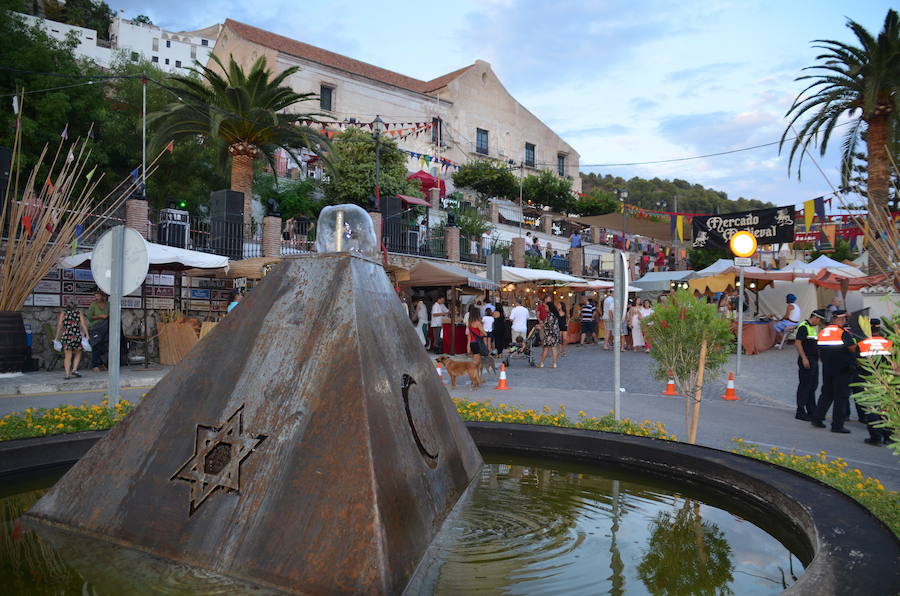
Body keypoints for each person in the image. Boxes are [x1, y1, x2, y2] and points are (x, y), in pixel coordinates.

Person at [810, 309, 857, 433]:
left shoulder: (823, 332)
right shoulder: (843, 333)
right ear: (841, 319)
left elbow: (819, 350)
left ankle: (817, 418)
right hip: (843, 369)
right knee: (841, 397)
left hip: (828, 367)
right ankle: (837, 425)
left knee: (826, 394)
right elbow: (853, 349)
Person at [794, 309, 826, 421]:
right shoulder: (804, 326)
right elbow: (797, 343)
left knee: (813, 385)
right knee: (805, 385)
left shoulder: (812, 328)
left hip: (814, 360)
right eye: (820, 320)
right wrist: (804, 358)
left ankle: (811, 410)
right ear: (815, 318)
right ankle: (800, 411)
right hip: (807, 360)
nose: (820, 323)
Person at [55, 297, 89, 380]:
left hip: (67, 335)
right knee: (78, 352)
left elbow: (60, 325)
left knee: (67, 356)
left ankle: (67, 375)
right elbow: (83, 324)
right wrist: (87, 335)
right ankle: (74, 369)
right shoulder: (79, 312)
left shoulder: (63, 313)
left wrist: (56, 337)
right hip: (76, 335)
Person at [86, 290, 109, 372]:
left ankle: (102, 364)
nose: (96, 298)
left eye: (98, 296)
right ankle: (94, 365)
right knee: (96, 346)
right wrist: (100, 316)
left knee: (104, 347)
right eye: (95, 296)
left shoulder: (108, 304)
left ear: (103, 296)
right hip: (95, 328)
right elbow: (89, 317)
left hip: (106, 328)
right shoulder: (93, 305)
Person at [537, 296, 561, 368]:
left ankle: (541, 364)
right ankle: (554, 364)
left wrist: (540, 326)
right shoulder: (555, 314)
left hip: (550, 334)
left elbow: (548, 325)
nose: (545, 308)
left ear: (549, 308)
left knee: (546, 349)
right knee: (554, 348)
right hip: (555, 333)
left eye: (546, 307)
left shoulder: (550, 315)